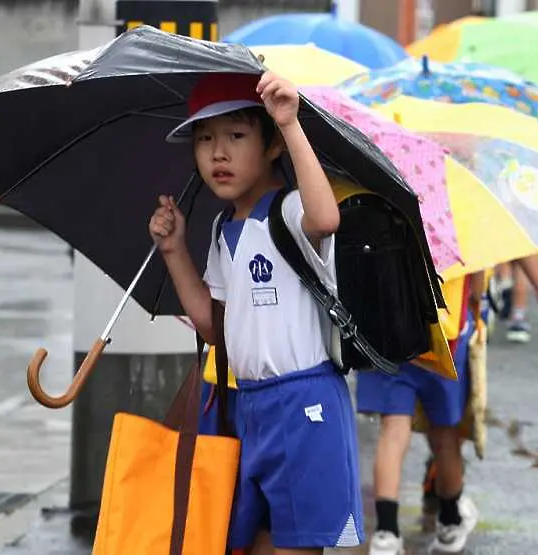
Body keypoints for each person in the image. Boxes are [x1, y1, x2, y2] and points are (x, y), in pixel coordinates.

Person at [148, 71, 363, 555]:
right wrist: (173, 250)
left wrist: (289, 123)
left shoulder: (289, 211)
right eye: (204, 139)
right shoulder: (225, 229)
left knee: (296, 544)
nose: (217, 153)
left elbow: (326, 219)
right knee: (247, 542)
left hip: (303, 403)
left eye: (236, 136)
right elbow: (212, 325)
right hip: (250, 405)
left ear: (270, 147)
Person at [359, 261, 538, 555]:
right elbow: (479, 276)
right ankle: (450, 521)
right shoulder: (462, 214)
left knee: (393, 429)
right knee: (446, 435)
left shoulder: (388, 212)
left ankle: (386, 532)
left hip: (388, 324)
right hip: (446, 330)